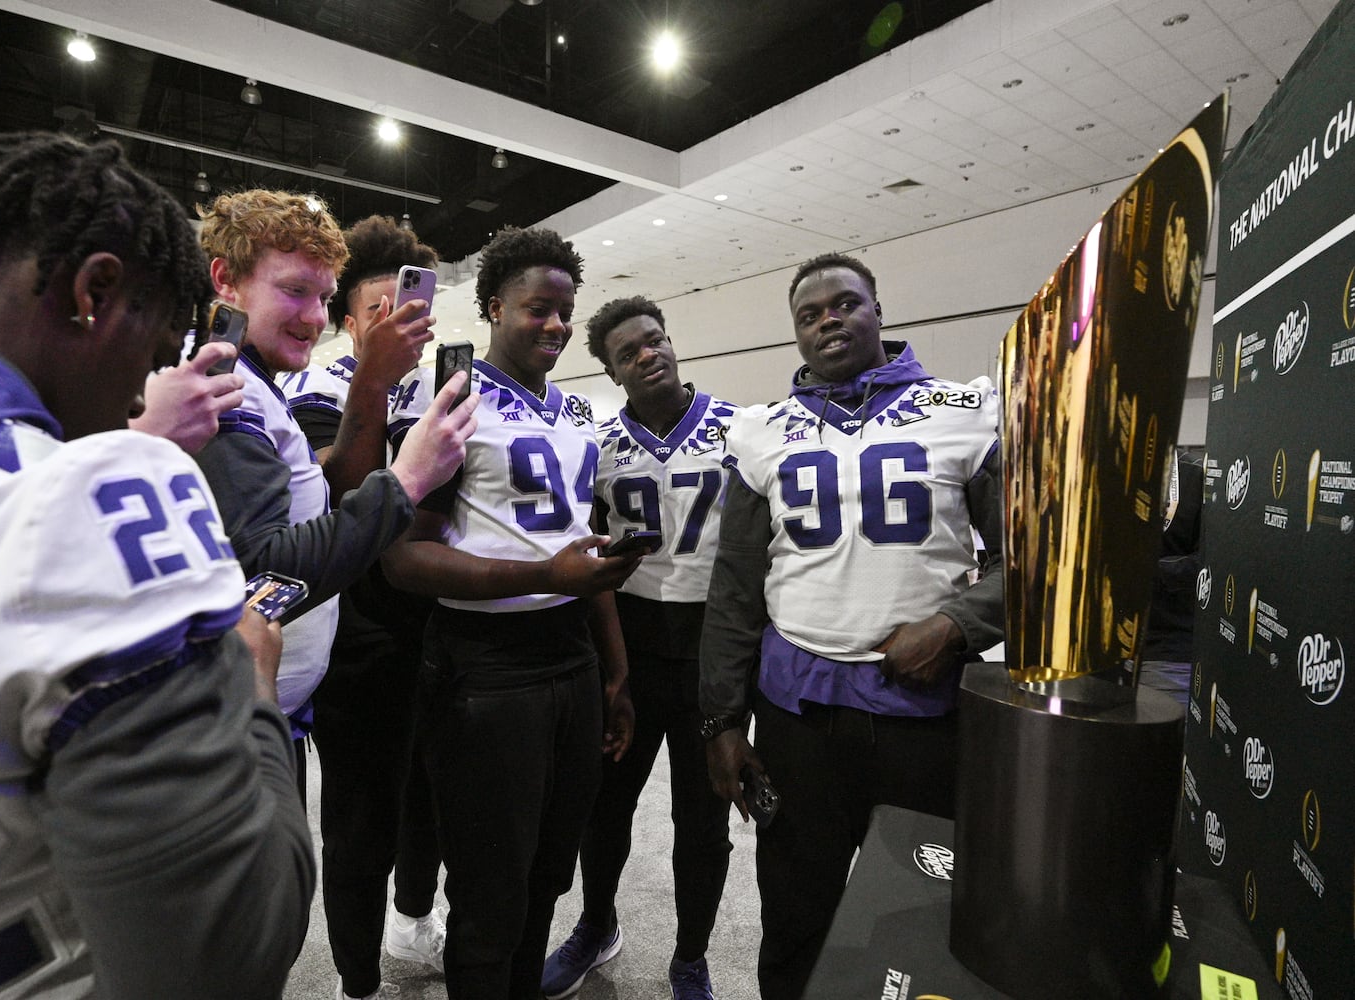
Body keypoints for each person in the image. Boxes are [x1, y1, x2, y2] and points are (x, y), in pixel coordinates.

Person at [0, 132, 311, 997]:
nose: (139, 395)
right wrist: (255, 689)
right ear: (94, 292)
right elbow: (223, 957)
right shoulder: (90, 492)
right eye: (152, 346)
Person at [699, 252, 1005, 1000]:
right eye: (809, 314)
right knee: (796, 915)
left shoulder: (967, 412)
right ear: (796, 335)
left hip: (923, 718)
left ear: (878, 310)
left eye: (845, 304)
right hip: (798, 719)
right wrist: (720, 720)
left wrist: (957, 623)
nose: (828, 319)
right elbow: (737, 590)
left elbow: (1038, 562)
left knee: (922, 913)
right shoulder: (760, 433)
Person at [381, 226, 641, 1000]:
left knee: (546, 878)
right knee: (491, 891)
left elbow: (581, 554)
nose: (557, 326)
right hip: (485, 664)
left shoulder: (576, 413)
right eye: (538, 309)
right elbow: (403, 558)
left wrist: (617, 673)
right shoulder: (449, 396)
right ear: (495, 306)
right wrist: (542, 573)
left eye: (566, 311)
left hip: (572, 655)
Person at [193, 190, 475, 801]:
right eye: (295, 291)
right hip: (229, 721)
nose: (315, 317)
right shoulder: (225, 385)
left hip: (266, 706)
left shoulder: (255, 381)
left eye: (322, 297)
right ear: (226, 280)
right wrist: (409, 479)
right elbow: (265, 571)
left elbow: (314, 495)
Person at [542, 296, 736, 1000]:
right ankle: (597, 926)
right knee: (605, 804)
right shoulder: (599, 446)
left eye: (654, 341)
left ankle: (691, 956)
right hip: (628, 644)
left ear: (670, 342)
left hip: (712, 650)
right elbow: (587, 553)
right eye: (629, 353)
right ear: (613, 372)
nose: (648, 355)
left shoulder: (740, 429)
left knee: (703, 818)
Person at [278, 215, 447, 998]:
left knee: (432, 801)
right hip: (359, 637)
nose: (395, 323)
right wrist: (372, 381)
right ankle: (356, 981)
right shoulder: (313, 388)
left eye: (408, 308)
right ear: (348, 321)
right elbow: (345, 495)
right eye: (378, 310)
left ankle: (416, 919)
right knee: (359, 825)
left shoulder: (451, 383)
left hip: (448, 627)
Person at [1138, 449, 1203, 706]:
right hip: (1099, 653)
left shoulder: (1195, 475)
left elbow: (1212, 562)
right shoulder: (1100, 471)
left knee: (1157, 744)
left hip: (1166, 654)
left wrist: (1148, 571)